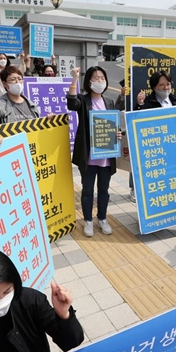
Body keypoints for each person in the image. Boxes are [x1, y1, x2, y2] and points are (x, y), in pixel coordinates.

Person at [67, 66, 125, 237]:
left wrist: (117, 133)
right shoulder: (83, 100)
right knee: (87, 191)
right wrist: (75, 78)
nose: (100, 81)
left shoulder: (109, 101)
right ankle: (88, 221)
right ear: (89, 81)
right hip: (89, 155)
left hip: (106, 155)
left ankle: (102, 218)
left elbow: (113, 123)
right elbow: (71, 103)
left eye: (102, 78)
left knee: (104, 190)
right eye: (96, 78)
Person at [130, 70, 176, 203]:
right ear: (154, 87)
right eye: (161, 85)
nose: (165, 88)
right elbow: (137, 125)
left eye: (168, 84)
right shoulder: (147, 103)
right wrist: (140, 105)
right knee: (154, 186)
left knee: (170, 183)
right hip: (157, 151)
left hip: (174, 150)